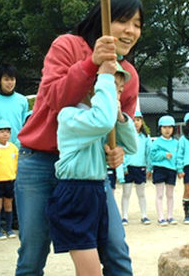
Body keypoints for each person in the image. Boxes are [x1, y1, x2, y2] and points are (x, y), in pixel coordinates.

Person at [16, 0, 143, 275]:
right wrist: (92, 63)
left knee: (116, 249)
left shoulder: (128, 75)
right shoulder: (67, 45)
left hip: (89, 172)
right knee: (33, 253)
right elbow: (53, 100)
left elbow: (121, 127)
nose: (131, 30)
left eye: (137, 24)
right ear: (103, 19)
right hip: (40, 161)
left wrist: (118, 150)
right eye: (123, 21)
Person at [46, 61, 137, 275]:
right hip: (75, 194)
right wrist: (105, 77)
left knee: (96, 263)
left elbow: (132, 146)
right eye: (112, 86)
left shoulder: (103, 119)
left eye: (120, 90)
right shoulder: (70, 115)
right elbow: (102, 122)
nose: (116, 95)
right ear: (92, 86)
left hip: (96, 191)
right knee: (91, 271)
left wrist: (121, 117)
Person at [118, 111, 151, 226]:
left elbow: (148, 153)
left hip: (140, 167)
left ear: (142, 122)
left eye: (138, 120)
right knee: (126, 193)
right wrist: (123, 167)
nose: (136, 123)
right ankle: (124, 216)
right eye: (133, 120)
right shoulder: (125, 136)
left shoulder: (146, 137)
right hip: (128, 168)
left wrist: (149, 167)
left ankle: (144, 215)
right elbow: (122, 152)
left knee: (141, 193)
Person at [0, 63, 29, 148]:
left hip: (17, 148)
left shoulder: (23, 100)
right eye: (6, 79)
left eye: (12, 79)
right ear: (0, 81)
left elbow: (23, 124)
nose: (10, 83)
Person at [148, 115, 178, 226]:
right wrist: (164, 155)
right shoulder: (156, 142)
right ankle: (161, 217)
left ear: (173, 128)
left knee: (170, 194)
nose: (167, 130)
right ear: (160, 128)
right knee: (159, 194)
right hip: (159, 169)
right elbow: (152, 156)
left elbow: (179, 158)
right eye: (164, 127)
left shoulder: (176, 143)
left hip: (172, 170)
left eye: (170, 127)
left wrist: (179, 170)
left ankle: (170, 216)